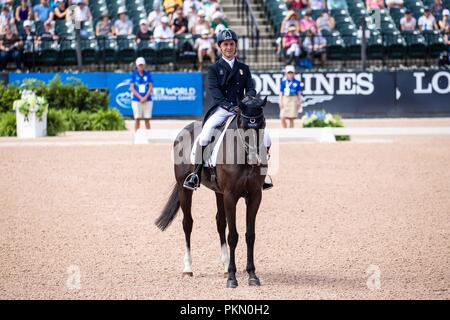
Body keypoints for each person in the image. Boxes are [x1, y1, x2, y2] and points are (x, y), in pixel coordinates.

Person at [183, 28, 273, 191]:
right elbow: (216, 93)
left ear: (235, 46)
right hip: (222, 109)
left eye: (231, 44)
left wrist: (248, 102)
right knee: (204, 135)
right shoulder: (214, 69)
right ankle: (196, 173)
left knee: (266, 137)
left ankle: (262, 174)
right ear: (220, 47)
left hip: (243, 109)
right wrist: (231, 107)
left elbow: (251, 88)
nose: (229, 47)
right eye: (225, 44)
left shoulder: (244, 68)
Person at [130, 57, 153, 131]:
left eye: (142, 65)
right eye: (139, 65)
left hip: (147, 99)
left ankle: (149, 135)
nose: (141, 66)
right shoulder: (134, 74)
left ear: (144, 65)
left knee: (147, 119)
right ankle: (136, 135)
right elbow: (132, 88)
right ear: (136, 65)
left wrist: (145, 97)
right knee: (137, 119)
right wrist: (140, 97)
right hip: (136, 100)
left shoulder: (148, 74)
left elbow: (150, 87)